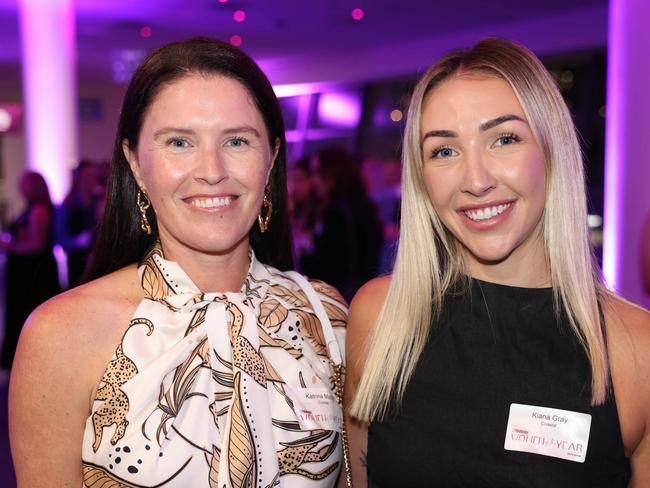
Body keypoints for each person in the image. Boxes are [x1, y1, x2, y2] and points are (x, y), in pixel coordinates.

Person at [10, 37, 347, 487]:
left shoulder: (325, 316)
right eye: (179, 142)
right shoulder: (61, 334)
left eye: (237, 141)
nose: (211, 170)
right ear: (134, 164)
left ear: (272, 159)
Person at [345, 38, 650, 487]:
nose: (476, 180)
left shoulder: (634, 351)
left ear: (551, 151)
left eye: (504, 139)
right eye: (444, 151)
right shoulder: (380, 316)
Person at [300, 147, 383, 302]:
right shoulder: (361, 206)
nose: (314, 180)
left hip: (340, 296)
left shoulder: (340, 212)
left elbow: (331, 263)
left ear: (333, 173)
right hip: (357, 292)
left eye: (318, 172)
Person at [0, 171, 60, 371]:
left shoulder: (39, 210)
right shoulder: (32, 209)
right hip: (27, 272)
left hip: (33, 275)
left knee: (29, 314)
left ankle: (30, 364)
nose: (20, 188)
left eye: (24, 184)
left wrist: (10, 247)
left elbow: (37, 245)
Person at [56, 159, 104, 287]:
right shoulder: (69, 205)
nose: (92, 180)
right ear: (79, 179)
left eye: (94, 175)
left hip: (100, 263)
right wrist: (77, 241)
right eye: (88, 176)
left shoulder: (100, 201)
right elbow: (60, 239)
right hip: (77, 264)